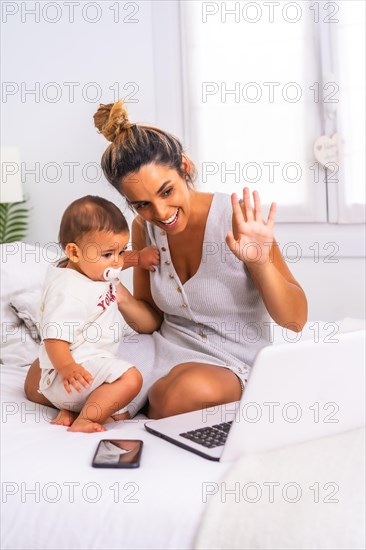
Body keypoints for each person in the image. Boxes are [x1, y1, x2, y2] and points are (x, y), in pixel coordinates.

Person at [25, 100, 307, 420]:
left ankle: (124, 399)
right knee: (40, 376)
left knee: (177, 395)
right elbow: (151, 321)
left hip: (229, 360)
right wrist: (115, 292)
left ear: (184, 167)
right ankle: (123, 399)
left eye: (166, 191)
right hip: (161, 347)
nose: (160, 213)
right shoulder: (144, 228)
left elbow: (294, 321)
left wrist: (259, 262)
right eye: (142, 204)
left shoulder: (237, 218)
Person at [33, 195, 159, 432]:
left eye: (122, 251)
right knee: (131, 379)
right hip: (70, 374)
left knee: (114, 391)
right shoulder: (69, 290)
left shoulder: (91, 269)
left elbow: (117, 261)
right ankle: (86, 419)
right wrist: (67, 368)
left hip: (82, 370)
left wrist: (138, 258)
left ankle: (70, 409)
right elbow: (54, 338)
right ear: (74, 252)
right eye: (108, 255)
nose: (117, 262)